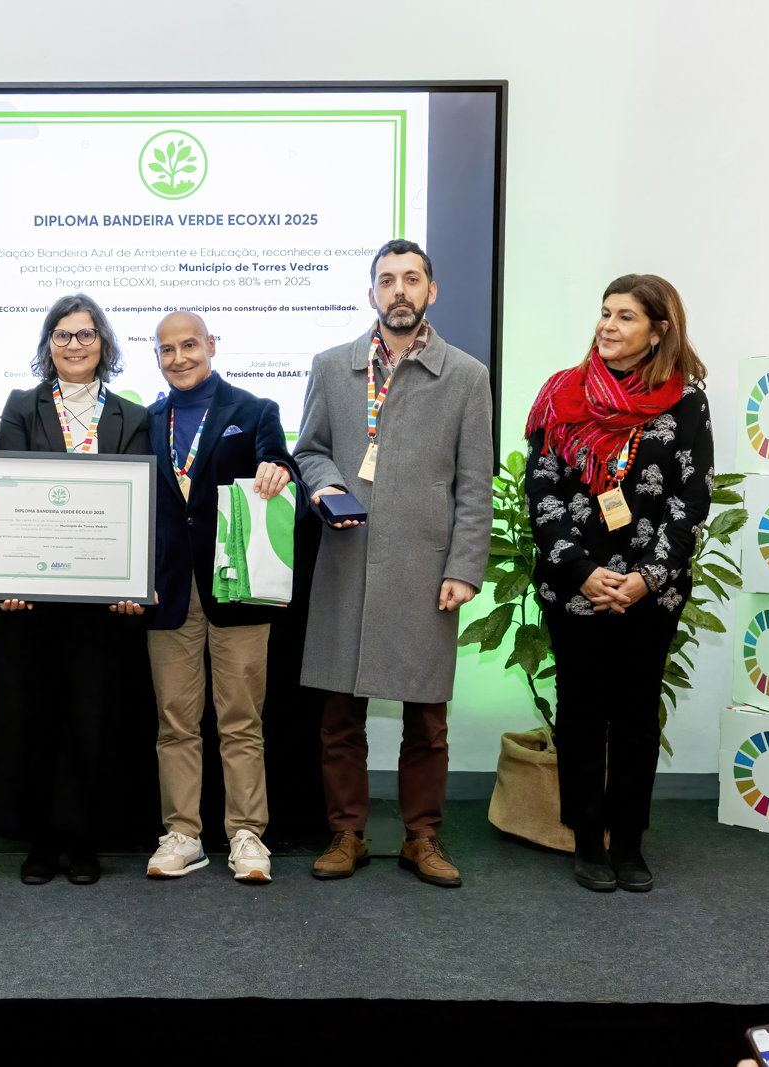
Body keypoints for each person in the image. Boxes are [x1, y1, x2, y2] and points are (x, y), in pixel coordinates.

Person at [295, 238, 492, 888]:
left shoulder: (466, 375)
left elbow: (475, 484)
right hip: (347, 562)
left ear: (431, 291)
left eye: (411, 279)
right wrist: (324, 484)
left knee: (427, 718)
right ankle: (347, 832)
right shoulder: (332, 367)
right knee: (339, 717)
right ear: (371, 292)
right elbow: (310, 449)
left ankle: (422, 838)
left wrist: (464, 567)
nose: (399, 290)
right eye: (387, 280)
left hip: (425, 570)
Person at [524, 274, 710, 893]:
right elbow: (542, 490)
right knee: (581, 712)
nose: (608, 325)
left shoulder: (687, 402)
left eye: (625, 316)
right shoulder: (563, 393)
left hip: (649, 591)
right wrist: (582, 573)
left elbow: (691, 499)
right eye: (605, 312)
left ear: (659, 331)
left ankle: (628, 841)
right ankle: (587, 839)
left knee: (635, 714)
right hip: (576, 585)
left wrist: (647, 578)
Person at [0, 294, 157, 886]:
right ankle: (41, 839)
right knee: (35, 716)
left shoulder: (132, 416)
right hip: (31, 601)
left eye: (85, 334)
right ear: (47, 345)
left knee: (91, 715)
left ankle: (83, 838)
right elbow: (8, 491)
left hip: (103, 602)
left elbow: (140, 509)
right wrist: (6, 579)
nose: (74, 345)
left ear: (103, 344)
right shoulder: (21, 406)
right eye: (62, 335)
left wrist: (136, 582)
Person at [144, 310, 298, 883]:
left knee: (240, 719)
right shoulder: (147, 420)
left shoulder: (255, 411)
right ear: (157, 358)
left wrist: (279, 471)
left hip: (239, 588)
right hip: (168, 591)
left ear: (211, 344)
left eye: (189, 345)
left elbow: (282, 468)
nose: (179, 357)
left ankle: (246, 835)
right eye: (167, 350)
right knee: (175, 722)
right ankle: (182, 834)